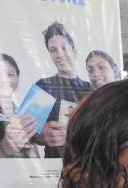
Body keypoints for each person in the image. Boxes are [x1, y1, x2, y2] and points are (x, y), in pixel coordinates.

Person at [35, 22, 92, 158]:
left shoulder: (91, 89)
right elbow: (27, 131)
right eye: (53, 50)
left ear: (73, 49)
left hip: (87, 164)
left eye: (63, 48)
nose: (59, 54)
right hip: (55, 167)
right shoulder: (44, 86)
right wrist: (43, 136)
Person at [0, 52, 39, 158]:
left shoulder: (23, 111)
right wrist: (5, 148)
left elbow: (33, 149)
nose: (3, 79)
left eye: (10, 74)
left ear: (17, 78)